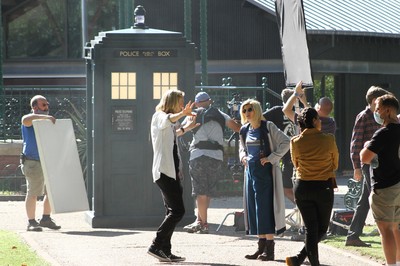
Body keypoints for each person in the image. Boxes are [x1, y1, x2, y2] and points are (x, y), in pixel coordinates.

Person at [148, 89, 199, 262]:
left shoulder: (168, 122)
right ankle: (156, 245)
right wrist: (182, 114)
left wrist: (186, 127)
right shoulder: (160, 116)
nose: (182, 105)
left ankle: (165, 251)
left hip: (171, 172)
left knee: (171, 210)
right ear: (172, 102)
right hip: (164, 171)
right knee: (178, 211)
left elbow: (171, 135)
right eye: (180, 102)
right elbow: (168, 120)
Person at [286, 107, 339, 266]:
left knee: (311, 228)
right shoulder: (328, 139)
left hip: (302, 186)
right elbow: (335, 164)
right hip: (323, 187)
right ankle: (309, 261)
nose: (321, 121)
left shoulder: (295, 141)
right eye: (318, 118)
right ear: (314, 121)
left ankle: (300, 258)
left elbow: (295, 163)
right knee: (321, 229)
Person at [183, 92, 241, 234]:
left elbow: (184, 129)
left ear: (196, 103)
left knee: (200, 192)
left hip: (198, 155)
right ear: (210, 101)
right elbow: (237, 128)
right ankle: (199, 221)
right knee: (207, 191)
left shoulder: (193, 114)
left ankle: (204, 224)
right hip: (216, 156)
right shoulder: (221, 114)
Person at [239, 99, 289, 261]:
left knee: (265, 208)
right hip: (250, 173)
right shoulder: (244, 129)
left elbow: (286, 142)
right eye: (244, 110)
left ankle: (270, 248)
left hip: (265, 173)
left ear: (257, 110)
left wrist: (271, 158)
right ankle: (260, 247)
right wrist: (243, 157)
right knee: (253, 208)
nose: (247, 113)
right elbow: (242, 148)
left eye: (250, 109)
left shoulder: (268, 126)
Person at [346, 86, 390, 247]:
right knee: (376, 197)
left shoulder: (379, 116)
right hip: (368, 164)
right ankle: (386, 232)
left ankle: (352, 235)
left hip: (377, 163)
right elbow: (356, 142)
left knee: (365, 200)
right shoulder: (364, 116)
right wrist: (356, 167)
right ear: (373, 101)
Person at [360, 94, 400, 266]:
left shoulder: (383, 133)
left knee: (386, 229)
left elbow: (365, 157)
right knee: (396, 227)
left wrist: (365, 146)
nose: (375, 112)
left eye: (378, 108)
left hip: (385, 185)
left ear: (388, 110)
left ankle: (392, 264)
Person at [21, 95, 61, 232]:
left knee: (50, 192)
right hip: (33, 162)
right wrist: (46, 117)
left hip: (47, 160)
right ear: (35, 107)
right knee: (33, 193)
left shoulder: (46, 122)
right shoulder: (29, 120)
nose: (47, 107)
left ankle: (46, 219)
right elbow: (26, 119)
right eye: (44, 105)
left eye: (47, 104)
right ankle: (31, 222)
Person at [263, 89, 296, 203]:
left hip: (285, 152)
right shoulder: (299, 111)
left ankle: (302, 209)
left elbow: (260, 119)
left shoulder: (277, 110)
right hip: (299, 151)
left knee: (286, 188)